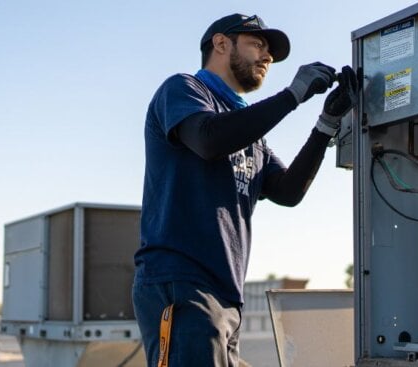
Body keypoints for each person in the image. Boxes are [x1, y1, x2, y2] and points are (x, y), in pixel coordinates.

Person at [132, 13, 358, 367]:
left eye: (269, 51)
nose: (267, 57)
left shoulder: (251, 135)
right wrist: (293, 95)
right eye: (257, 44)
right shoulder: (183, 90)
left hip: (226, 293)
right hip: (181, 283)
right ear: (221, 43)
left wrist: (326, 123)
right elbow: (209, 139)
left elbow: (287, 191)